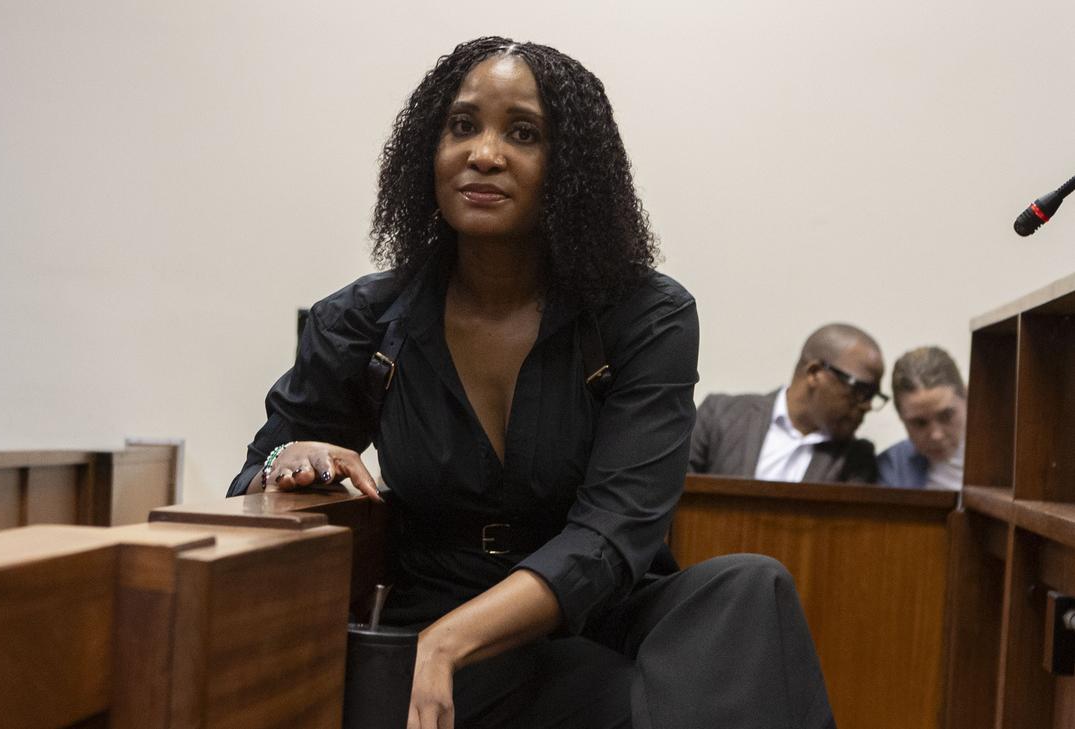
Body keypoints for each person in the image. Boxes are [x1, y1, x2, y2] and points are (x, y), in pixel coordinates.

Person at [228, 37, 835, 729]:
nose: (484, 154)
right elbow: (252, 478)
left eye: (523, 133)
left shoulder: (645, 315)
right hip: (436, 605)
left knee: (751, 585)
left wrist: (445, 645)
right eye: (462, 126)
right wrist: (290, 457)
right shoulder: (362, 321)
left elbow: (616, 530)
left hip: (595, 609)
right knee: (622, 698)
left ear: (570, 167)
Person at [689, 324, 885, 483]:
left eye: (873, 396)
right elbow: (677, 492)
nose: (867, 406)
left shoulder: (856, 460)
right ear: (815, 373)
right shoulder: (720, 415)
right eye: (861, 391)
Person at [877, 346, 967, 489]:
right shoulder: (891, 466)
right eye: (919, 423)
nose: (936, 435)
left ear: (967, 397)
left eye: (946, 416)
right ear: (900, 416)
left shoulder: (1003, 455)